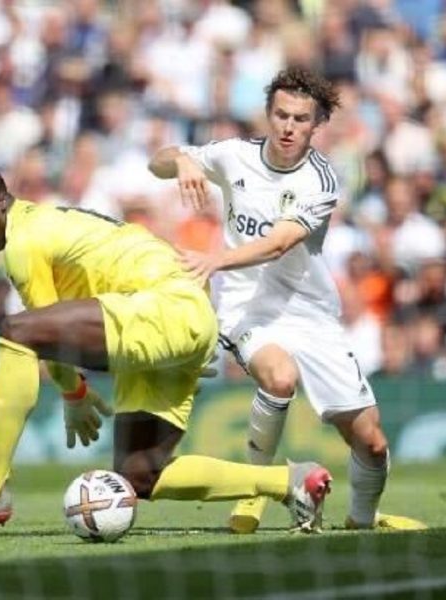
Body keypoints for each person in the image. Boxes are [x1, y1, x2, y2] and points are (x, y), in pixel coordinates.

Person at [0, 164, 332, 532]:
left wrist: (74, 393)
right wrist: (76, 391)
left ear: (0, 200)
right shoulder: (45, 222)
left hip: (164, 307)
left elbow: (40, 333)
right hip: (178, 314)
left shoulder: (23, 240)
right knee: (139, 476)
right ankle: (291, 483)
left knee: (15, 329)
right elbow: (52, 332)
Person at [149, 67, 426, 532]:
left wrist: (216, 259)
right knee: (279, 377)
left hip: (309, 311)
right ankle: (258, 490)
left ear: (317, 126)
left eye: (300, 119)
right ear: (268, 114)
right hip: (245, 304)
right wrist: (180, 159)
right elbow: (158, 160)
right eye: (281, 115)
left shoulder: (321, 179)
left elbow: (279, 243)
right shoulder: (234, 155)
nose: (288, 127)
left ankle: (361, 522)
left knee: (372, 442)